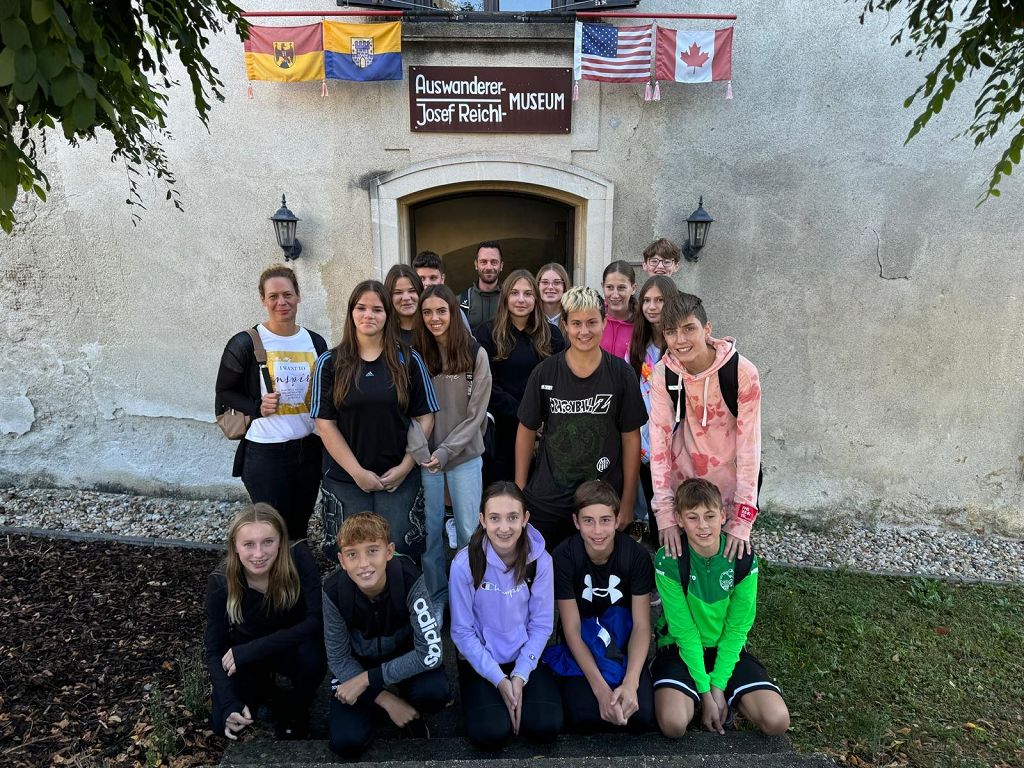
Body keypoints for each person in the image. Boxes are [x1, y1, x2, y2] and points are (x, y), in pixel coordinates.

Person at [311, 279, 438, 560]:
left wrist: (406, 466)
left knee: (399, 552)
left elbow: (425, 416)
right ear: (351, 313)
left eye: (377, 309)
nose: (369, 315)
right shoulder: (329, 362)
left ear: (388, 315)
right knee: (351, 554)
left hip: (398, 478)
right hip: (346, 479)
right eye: (361, 308)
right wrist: (357, 472)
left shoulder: (409, 359)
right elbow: (324, 424)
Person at [651, 478, 789, 737]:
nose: (703, 526)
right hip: (679, 648)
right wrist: (706, 693)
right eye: (692, 518)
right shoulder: (668, 559)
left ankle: (726, 694)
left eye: (710, 516)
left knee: (777, 721)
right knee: (674, 724)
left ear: (723, 516)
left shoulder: (743, 558)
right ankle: (696, 695)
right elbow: (683, 630)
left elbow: (737, 628)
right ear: (679, 520)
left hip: (725, 648)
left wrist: (717, 686)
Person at [515, 286, 647, 551]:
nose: (584, 331)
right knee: (548, 569)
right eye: (576, 323)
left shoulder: (621, 374)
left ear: (604, 322)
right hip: (549, 498)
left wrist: (628, 501)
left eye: (591, 322)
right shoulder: (545, 372)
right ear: (564, 325)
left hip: (603, 499)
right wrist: (519, 492)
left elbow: (631, 439)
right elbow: (526, 430)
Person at [215, 264, 328, 541]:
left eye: (287, 295)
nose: (281, 302)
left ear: (298, 296)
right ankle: (273, 571)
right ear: (263, 300)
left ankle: (296, 569)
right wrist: (257, 407)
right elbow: (224, 391)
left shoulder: (315, 342)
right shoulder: (245, 343)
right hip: (265, 453)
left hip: (308, 449)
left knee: (299, 528)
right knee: (272, 529)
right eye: (273, 296)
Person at [323, 513, 450, 757]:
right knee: (346, 742)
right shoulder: (333, 591)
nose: (363, 563)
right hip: (359, 665)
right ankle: (385, 707)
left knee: (435, 692)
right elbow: (338, 658)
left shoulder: (409, 578)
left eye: (373, 551)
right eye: (352, 554)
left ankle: (409, 709)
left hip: (403, 657)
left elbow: (431, 652)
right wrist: (384, 699)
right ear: (342, 560)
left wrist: (367, 681)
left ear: (389, 551)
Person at [649, 293, 762, 562]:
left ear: (707, 329)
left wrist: (742, 519)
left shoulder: (741, 372)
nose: (680, 340)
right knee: (681, 568)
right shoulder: (664, 373)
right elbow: (659, 443)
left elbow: (750, 448)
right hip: (683, 488)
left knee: (728, 566)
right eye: (671, 332)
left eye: (689, 328)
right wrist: (665, 514)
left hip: (728, 490)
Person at [449, 482, 562, 750]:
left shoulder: (541, 561)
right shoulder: (464, 564)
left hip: (524, 656)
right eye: (495, 518)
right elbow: (462, 632)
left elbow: (541, 625)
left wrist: (520, 675)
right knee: (490, 733)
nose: (504, 527)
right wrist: (500, 680)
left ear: (525, 518)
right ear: (482, 520)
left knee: (545, 726)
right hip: (482, 659)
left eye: (512, 517)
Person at [205, 504, 325, 741]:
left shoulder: (298, 558)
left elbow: (317, 620)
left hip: (291, 647)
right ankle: (264, 692)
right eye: (249, 544)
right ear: (235, 546)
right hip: (248, 656)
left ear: (281, 541)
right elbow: (213, 649)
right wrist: (229, 701)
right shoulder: (221, 582)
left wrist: (253, 649)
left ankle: (296, 708)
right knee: (223, 723)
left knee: (313, 655)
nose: (258, 554)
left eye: (268, 542)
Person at [542, 481, 655, 732]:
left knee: (642, 716)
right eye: (588, 521)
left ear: (617, 520)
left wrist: (631, 683)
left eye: (605, 520)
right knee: (584, 717)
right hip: (584, 641)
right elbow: (571, 629)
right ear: (576, 522)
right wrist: (600, 689)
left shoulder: (636, 556)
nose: (597, 531)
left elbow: (641, 625)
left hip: (623, 642)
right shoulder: (564, 557)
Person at [412, 284, 492, 608]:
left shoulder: (475, 354)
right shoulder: (416, 355)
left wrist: (445, 451)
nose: (434, 318)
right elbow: (408, 410)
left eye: (441, 311)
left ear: (454, 313)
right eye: (427, 312)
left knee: (469, 532)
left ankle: (468, 598)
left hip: (464, 457)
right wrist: (421, 451)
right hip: (426, 459)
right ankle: (436, 597)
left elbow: (476, 416)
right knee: (430, 532)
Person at [475, 270, 564, 486]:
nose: (521, 299)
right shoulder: (487, 333)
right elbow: (486, 383)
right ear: (505, 297)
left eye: (528, 293)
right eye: (514, 293)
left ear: (536, 298)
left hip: (543, 432)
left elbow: (560, 382)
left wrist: (541, 421)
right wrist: (525, 417)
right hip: (501, 431)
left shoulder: (552, 335)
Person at [626, 275, 681, 533]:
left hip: (678, 435)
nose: (652, 306)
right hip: (644, 434)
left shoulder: (682, 345)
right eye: (646, 300)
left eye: (659, 300)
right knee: (651, 501)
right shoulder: (638, 346)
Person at [460, 241, 504, 330]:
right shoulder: (460, 302)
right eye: (483, 262)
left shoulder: (510, 299)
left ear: (501, 266)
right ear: (476, 264)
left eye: (494, 262)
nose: (489, 267)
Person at [599, 261, 637, 359]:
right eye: (609, 287)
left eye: (621, 288)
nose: (615, 295)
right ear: (602, 286)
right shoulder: (594, 318)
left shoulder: (642, 323)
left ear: (633, 288)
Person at [384, 264, 424, 347]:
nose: (406, 298)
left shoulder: (432, 329)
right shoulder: (382, 334)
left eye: (412, 291)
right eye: (398, 292)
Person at [536, 262, 571, 327]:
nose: (550, 287)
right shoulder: (529, 318)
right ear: (538, 286)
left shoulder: (573, 317)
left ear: (564, 286)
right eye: (545, 282)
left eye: (557, 282)